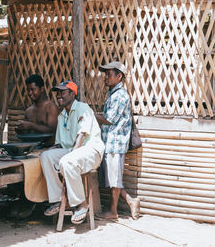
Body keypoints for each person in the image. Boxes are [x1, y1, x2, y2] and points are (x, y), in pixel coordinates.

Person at [40, 81, 104, 224]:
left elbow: (81, 136)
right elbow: (59, 144)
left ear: (72, 94)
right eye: (58, 93)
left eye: (63, 92)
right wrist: (46, 150)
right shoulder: (62, 115)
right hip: (72, 152)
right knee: (46, 157)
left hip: (91, 150)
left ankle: (81, 204)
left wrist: (69, 155)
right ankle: (57, 199)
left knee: (67, 161)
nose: (59, 96)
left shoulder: (83, 108)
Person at [95, 61, 140, 220]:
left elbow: (109, 118)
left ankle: (113, 212)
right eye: (105, 75)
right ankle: (131, 201)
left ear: (119, 76)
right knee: (113, 178)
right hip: (111, 143)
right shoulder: (114, 93)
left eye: (109, 75)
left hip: (115, 143)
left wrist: (91, 115)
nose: (105, 78)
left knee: (114, 179)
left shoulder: (120, 95)